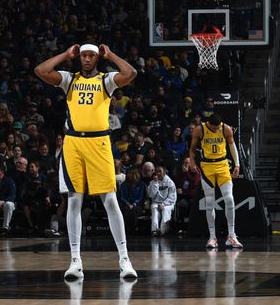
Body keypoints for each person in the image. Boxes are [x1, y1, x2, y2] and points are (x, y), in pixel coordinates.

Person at [34, 43, 138, 279]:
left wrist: (111, 54)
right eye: (84, 56)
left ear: (97, 58)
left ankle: (124, 260)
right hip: (73, 144)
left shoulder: (106, 80)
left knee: (110, 200)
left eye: (91, 55)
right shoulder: (69, 79)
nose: (88, 59)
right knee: (73, 201)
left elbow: (131, 73)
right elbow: (40, 70)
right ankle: (75, 261)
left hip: (100, 143)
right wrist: (65, 55)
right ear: (79, 57)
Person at [188, 113, 243, 250]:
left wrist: (237, 164)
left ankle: (232, 235)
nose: (216, 129)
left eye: (218, 127)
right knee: (210, 202)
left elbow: (232, 146)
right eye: (214, 128)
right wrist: (193, 162)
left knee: (229, 199)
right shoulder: (199, 129)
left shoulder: (226, 129)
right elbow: (192, 148)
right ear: (209, 124)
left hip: (223, 165)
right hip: (207, 167)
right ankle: (212, 237)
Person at [148, 165, 177, 236]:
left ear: (164, 173)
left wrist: (163, 204)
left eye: (160, 171)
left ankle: (163, 231)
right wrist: (155, 184)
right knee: (154, 208)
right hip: (156, 202)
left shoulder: (170, 182)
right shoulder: (152, 183)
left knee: (165, 210)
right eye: (157, 171)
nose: (158, 173)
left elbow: (172, 197)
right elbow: (151, 195)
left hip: (168, 203)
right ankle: (155, 230)